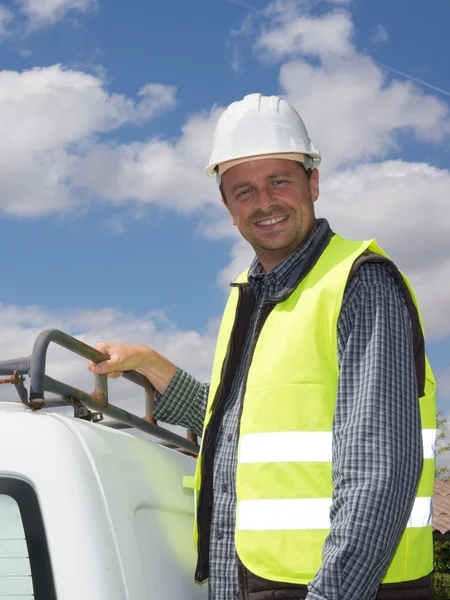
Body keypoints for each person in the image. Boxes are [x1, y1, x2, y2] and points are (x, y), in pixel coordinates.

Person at [88, 94, 436, 600]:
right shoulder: (248, 296)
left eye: (279, 181)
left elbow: (378, 474)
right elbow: (246, 427)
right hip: (255, 583)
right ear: (228, 208)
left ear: (312, 183)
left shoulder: (359, 283)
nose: (264, 202)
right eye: (244, 191)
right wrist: (153, 367)